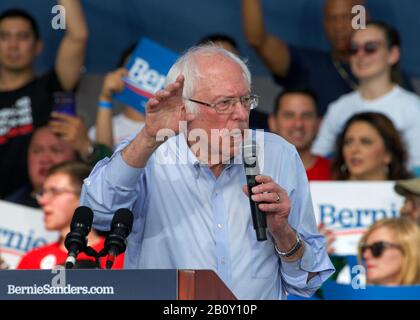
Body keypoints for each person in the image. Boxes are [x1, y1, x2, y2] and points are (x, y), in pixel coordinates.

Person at [80, 45, 334, 300]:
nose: (241, 114)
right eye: (224, 103)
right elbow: (99, 214)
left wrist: (283, 232)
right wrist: (147, 137)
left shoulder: (279, 155)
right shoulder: (148, 153)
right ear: (185, 109)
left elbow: (309, 281)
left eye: (246, 100)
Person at [0, 1, 88, 198]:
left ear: (38, 46)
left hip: (42, 205)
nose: (13, 45)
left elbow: (78, 36)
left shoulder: (51, 88)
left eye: (22, 36)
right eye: (4, 36)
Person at [312, 21, 420, 171]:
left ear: (393, 54)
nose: (360, 55)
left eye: (370, 48)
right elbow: (318, 160)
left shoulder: (412, 107)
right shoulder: (339, 107)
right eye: (354, 49)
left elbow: (418, 169)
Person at [242, 0, 360, 117]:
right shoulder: (309, 64)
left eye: (347, 17)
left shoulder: (377, 69)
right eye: (332, 18)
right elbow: (257, 40)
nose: (339, 26)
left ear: (363, 19)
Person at [17, 161, 124, 269]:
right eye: (42, 193)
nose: (42, 200)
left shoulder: (118, 257)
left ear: (84, 196)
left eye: (54, 192)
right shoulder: (32, 259)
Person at [6, 125, 112, 208]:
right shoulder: (8, 208)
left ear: (75, 157)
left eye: (56, 150)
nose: (45, 159)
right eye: (37, 151)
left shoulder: (93, 206)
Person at [198, 33, 269, 130]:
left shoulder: (262, 125)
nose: (225, 66)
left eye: (232, 59)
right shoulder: (182, 122)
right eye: (215, 61)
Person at [268, 89, 331, 181]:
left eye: (306, 116)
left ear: (319, 124)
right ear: (272, 122)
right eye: (289, 115)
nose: (298, 124)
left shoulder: (336, 173)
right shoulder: (257, 172)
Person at [331, 112, 411, 181]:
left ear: (388, 154)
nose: (354, 149)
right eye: (348, 142)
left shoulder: (410, 196)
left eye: (366, 142)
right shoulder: (326, 194)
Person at [357, 217, 420, 285]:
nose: (365, 255)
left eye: (377, 247)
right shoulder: (351, 294)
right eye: (363, 249)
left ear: (408, 251)